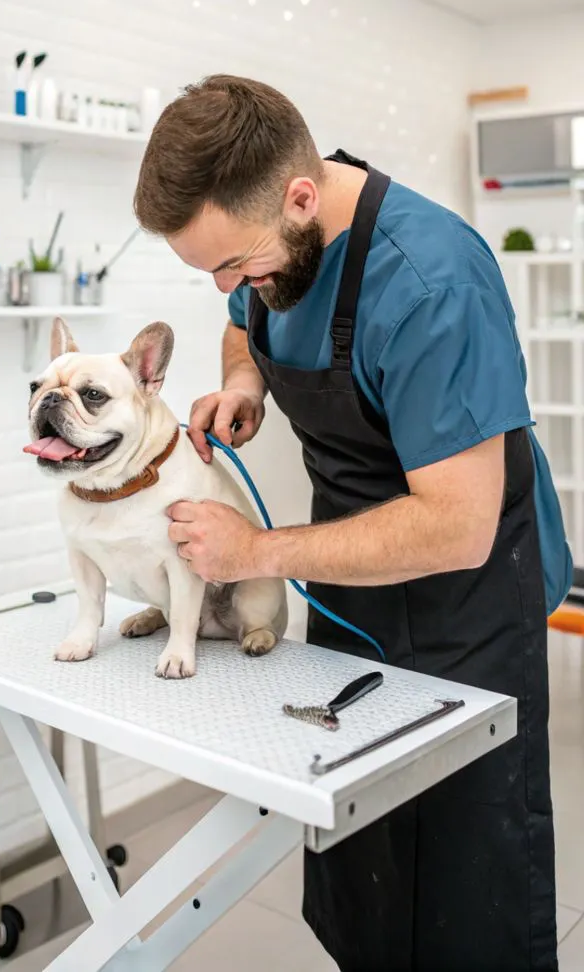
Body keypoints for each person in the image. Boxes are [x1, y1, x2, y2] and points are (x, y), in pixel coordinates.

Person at [133, 74, 572, 972]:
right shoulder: (274, 241)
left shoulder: (429, 283)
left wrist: (254, 551)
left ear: (302, 197)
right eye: (207, 270)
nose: (225, 286)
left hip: (468, 603)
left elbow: (456, 526)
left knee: (463, 886)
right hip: (349, 590)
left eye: (233, 263)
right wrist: (246, 383)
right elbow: (241, 324)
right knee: (360, 863)